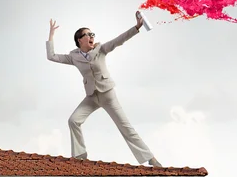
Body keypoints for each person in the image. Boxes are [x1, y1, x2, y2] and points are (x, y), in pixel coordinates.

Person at [46, 11, 161, 167]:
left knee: (125, 126)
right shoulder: (74, 57)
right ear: (80, 40)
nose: (92, 36)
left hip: (107, 94)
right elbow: (52, 56)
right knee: (73, 120)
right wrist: (51, 36)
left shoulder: (100, 49)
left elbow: (119, 40)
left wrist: (136, 27)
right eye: (88, 34)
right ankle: (80, 156)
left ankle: (150, 158)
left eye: (93, 34)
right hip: (92, 96)